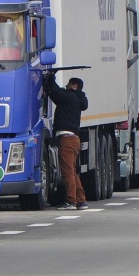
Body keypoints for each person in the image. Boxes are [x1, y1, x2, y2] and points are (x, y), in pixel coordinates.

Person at [43, 69, 89, 210]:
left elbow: (56, 92)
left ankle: (71, 201)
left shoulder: (70, 97)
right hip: (74, 139)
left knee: (68, 172)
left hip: (67, 140)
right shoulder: (76, 100)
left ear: (74, 86)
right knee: (72, 171)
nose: (66, 86)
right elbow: (56, 95)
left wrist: (50, 78)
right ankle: (81, 201)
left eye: (69, 84)